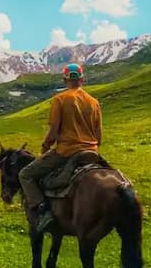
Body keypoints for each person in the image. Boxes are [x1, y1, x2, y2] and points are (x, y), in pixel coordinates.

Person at [19, 63, 102, 233]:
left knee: (25, 174)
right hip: (92, 152)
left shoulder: (60, 100)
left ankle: (43, 210)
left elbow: (53, 132)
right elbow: (99, 135)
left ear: (65, 80)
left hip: (67, 151)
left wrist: (45, 146)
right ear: (82, 79)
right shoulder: (94, 103)